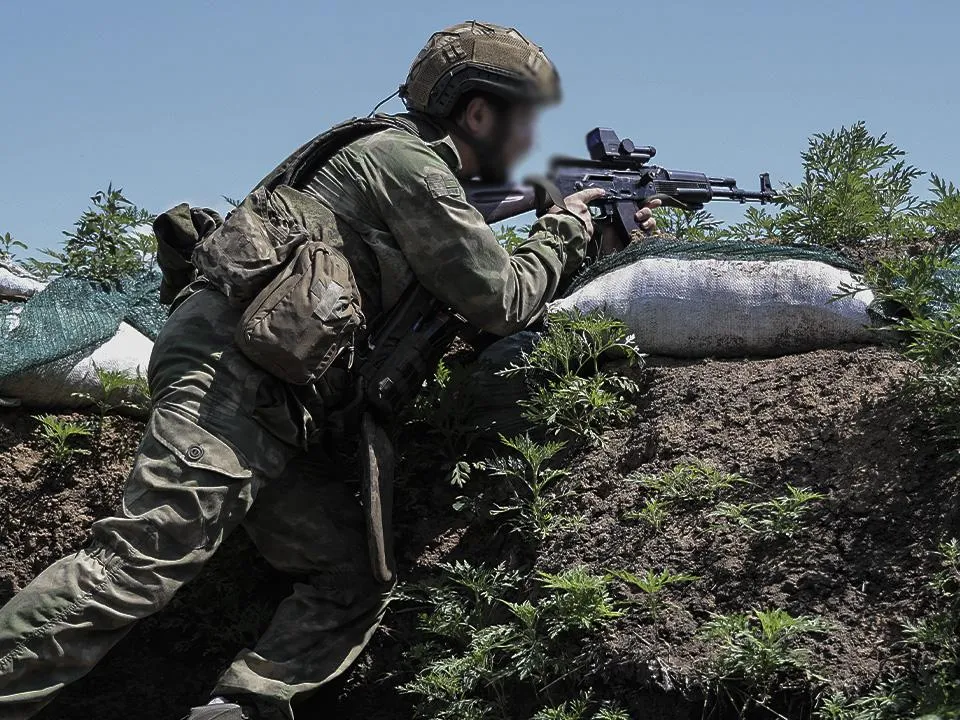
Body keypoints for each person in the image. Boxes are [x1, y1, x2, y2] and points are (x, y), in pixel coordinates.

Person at [0, 21, 657, 720]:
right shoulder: (407, 164)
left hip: (281, 403)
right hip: (231, 379)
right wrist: (569, 226)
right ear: (478, 112)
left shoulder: (402, 170)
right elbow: (501, 301)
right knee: (139, 562)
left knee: (350, 578)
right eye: (523, 119)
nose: (529, 142)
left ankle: (243, 706)